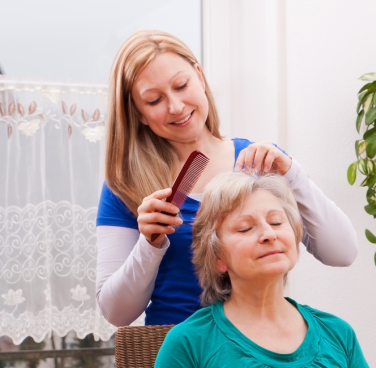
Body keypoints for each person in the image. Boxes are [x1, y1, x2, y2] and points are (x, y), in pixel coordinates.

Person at [96, 30, 357, 327]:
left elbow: (343, 253)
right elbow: (116, 313)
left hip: (258, 348)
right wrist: (149, 244)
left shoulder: (261, 163)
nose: (176, 107)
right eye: (154, 100)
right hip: (175, 356)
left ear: (200, 76)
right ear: (139, 113)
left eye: (181, 85)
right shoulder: (124, 185)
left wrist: (293, 175)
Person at [145, 172, 376, 368]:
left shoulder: (338, 333)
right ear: (218, 258)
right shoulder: (188, 343)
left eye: (277, 222)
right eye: (244, 228)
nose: (269, 234)